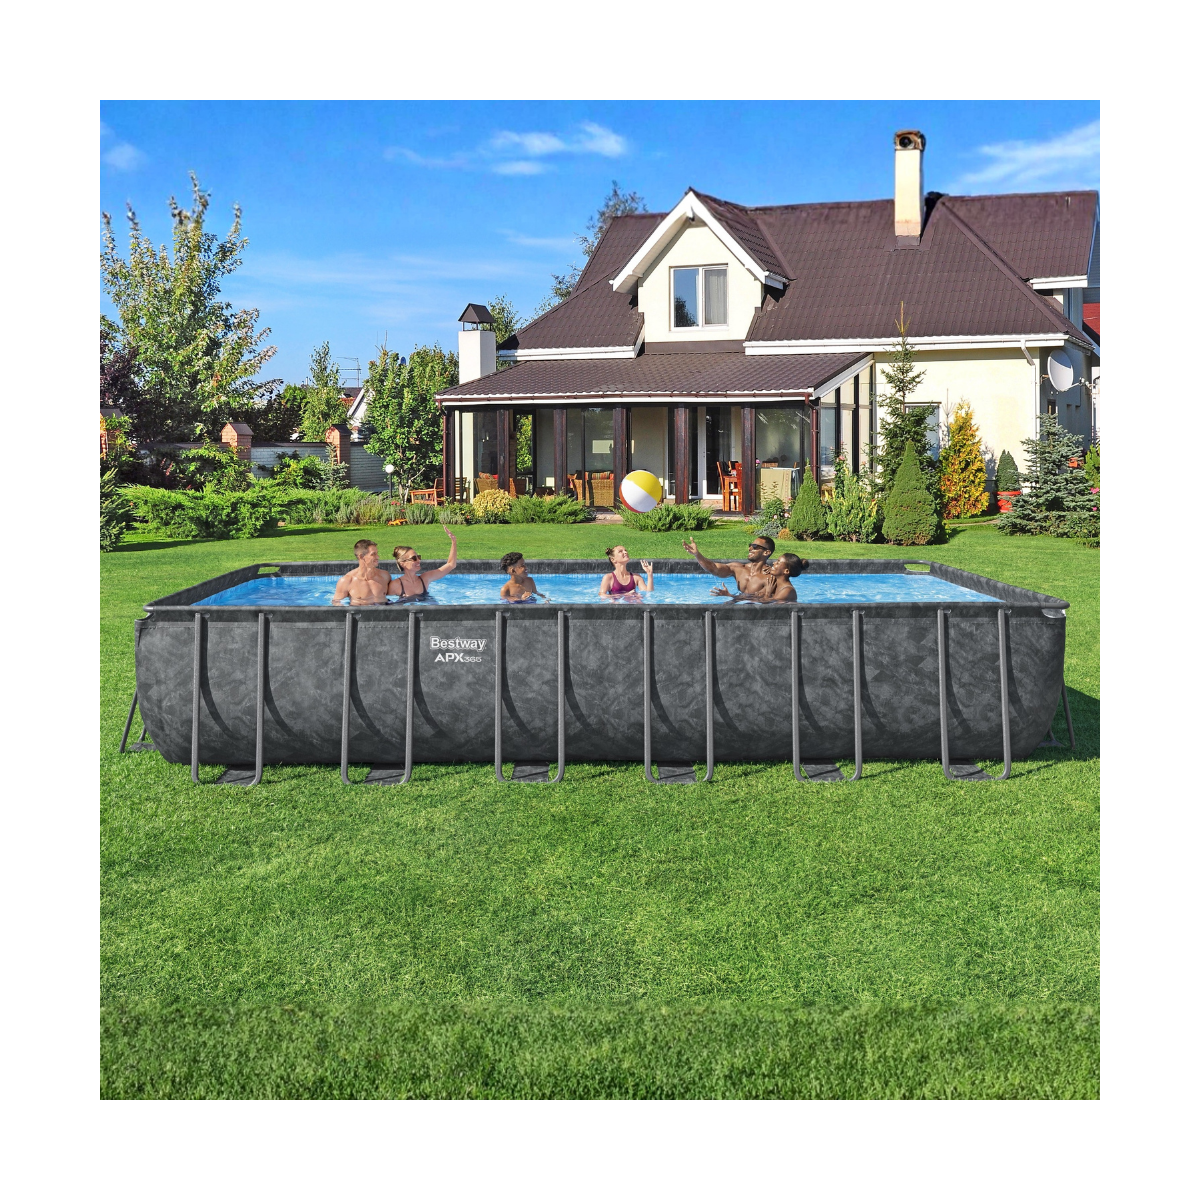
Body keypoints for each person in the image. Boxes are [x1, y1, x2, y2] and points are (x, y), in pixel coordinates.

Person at [682, 533, 776, 598]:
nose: (750, 548)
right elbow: (714, 568)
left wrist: (730, 596)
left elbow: (764, 600)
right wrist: (697, 554)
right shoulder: (738, 569)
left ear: (766, 552)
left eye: (755, 547)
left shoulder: (770, 577)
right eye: (750, 545)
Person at [388, 524, 459, 599]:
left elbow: (451, 564)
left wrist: (454, 541)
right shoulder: (395, 585)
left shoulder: (425, 579)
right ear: (402, 564)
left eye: (418, 557)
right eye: (414, 558)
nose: (418, 560)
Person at [712, 552, 807, 603]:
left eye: (778, 562)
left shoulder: (788, 590)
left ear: (786, 571)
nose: (774, 563)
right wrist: (730, 595)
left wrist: (768, 593)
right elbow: (753, 597)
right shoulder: (772, 584)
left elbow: (768, 605)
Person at [331, 539, 391, 606]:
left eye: (377, 553)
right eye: (373, 554)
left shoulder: (385, 576)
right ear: (361, 557)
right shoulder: (347, 581)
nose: (378, 557)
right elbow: (336, 602)